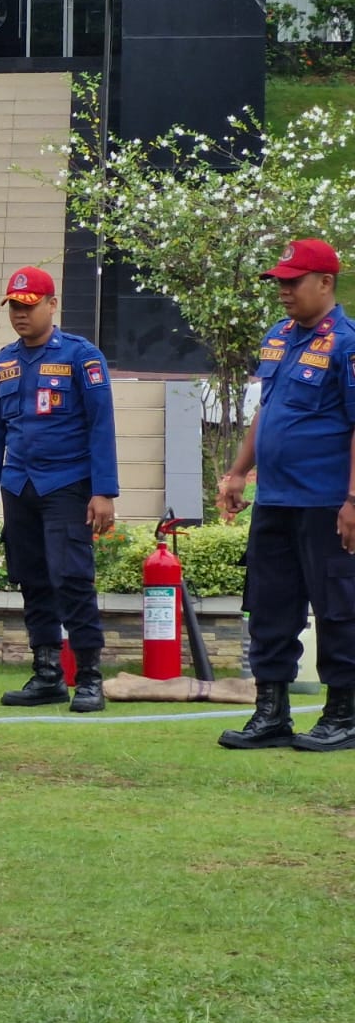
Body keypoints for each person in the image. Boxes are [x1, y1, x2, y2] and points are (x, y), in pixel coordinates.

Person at [218, 237, 355, 752]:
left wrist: (353, 500)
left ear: (325, 282)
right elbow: (266, 413)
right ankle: (270, 712)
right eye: (279, 281)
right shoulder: (278, 337)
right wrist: (236, 473)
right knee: (270, 606)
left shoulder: (347, 343)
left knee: (338, 607)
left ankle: (343, 713)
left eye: (292, 281)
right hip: (274, 499)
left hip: (324, 502)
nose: (282, 291)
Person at [0, 266, 119, 714]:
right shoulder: (3, 362)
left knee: (71, 578)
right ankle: (47, 673)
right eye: (14, 307)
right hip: (20, 486)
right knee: (32, 580)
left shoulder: (81, 357)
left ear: (51, 305)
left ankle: (90, 677)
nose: (20, 314)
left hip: (67, 486)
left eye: (29, 306)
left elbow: (101, 425)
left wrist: (104, 491)